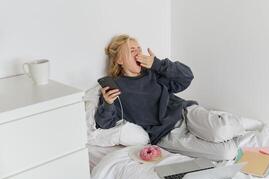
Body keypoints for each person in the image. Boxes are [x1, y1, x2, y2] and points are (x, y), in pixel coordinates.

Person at [95, 34, 245, 161]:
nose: (138, 53)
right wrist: (107, 104)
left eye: (139, 49)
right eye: (132, 50)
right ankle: (222, 132)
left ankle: (234, 127)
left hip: (185, 113)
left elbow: (187, 77)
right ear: (119, 61)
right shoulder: (116, 88)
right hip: (167, 135)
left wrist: (158, 64)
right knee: (228, 153)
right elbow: (105, 124)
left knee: (221, 130)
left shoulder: (152, 72)